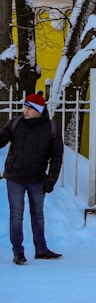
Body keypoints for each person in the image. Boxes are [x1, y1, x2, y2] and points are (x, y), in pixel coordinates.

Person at [0, 93, 63, 265]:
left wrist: (51, 181)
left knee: (38, 215)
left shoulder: (51, 128)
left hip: (37, 179)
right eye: (25, 107)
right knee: (16, 215)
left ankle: (41, 249)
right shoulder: (16, 123)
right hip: (15, 177)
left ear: (39, 110)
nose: (25, 111)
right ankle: (18, 252)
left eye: (29, 108)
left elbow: (57, 157)